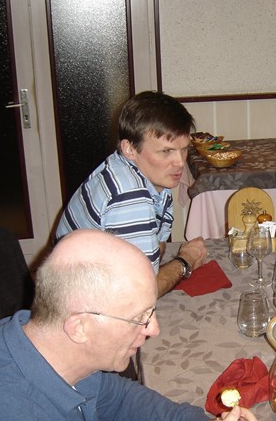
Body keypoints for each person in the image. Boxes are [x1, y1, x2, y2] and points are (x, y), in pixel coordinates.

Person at [0, 229, 258, 421]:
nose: (154, 329)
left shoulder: (46, 340)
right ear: (80, 327)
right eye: (139, 318)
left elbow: (118, 400)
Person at [55, 91, 207, 298]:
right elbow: (140, 293)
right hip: (80, 305)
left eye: (183, 149)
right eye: (166, 151)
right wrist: (185, 260)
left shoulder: (139, 174)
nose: (180, 162)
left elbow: (157, 248)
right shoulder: (129, 196)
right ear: (130, 149)